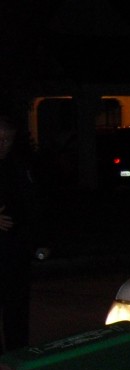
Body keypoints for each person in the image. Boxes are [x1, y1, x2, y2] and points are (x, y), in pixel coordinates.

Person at [0, 113, 37, 352]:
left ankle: (19, 357)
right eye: (0, 139)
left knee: (16, 311)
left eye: (8, 139)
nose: (4, 144)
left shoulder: (18, 165)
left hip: (16, 251)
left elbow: (32, 203)